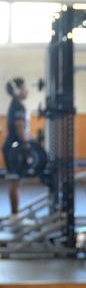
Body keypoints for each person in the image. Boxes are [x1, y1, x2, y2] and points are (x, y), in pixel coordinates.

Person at [2, 77, 29, 216]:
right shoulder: (18, 106)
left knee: (15, 182)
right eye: (25, 88)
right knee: (14, 182)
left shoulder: (16, 104)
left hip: (12, 147)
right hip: (14, 148)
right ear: (18, 90)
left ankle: (15, 214)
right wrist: (27, 145)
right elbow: (19, 128)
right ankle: (14, 215)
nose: (27, 91)